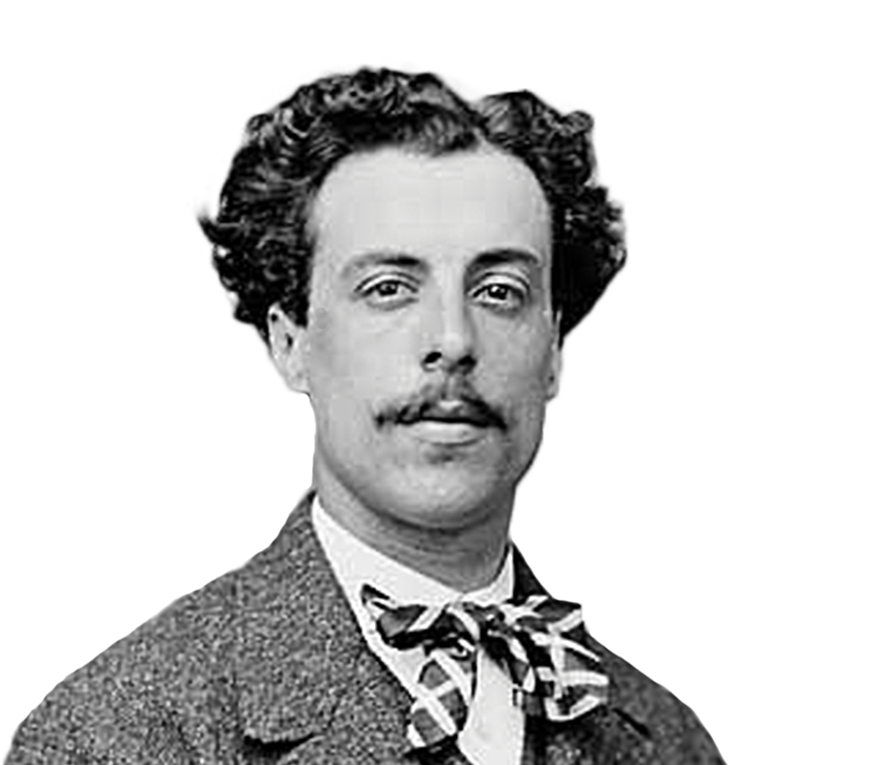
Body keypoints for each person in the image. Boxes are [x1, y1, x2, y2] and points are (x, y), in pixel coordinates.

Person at [5, 65, 724, 764]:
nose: (453, 339)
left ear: (555, 349)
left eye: (500, 291)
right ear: (291, 344)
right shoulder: (117, 736)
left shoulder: (667, 741)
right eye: (389, 288)